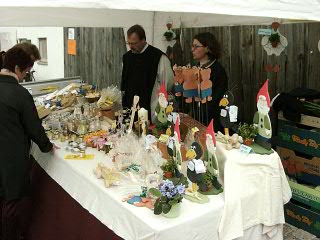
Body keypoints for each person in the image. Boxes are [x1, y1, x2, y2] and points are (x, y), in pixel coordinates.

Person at [0, 46, 54, 240]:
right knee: (11, 202)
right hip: (11, 158)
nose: (24, 77)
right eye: (25, 72)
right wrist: (47, 146)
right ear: (17, 68)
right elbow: (34, 128)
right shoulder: (20, 94)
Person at [121, 24, 174, 122]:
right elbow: (125, 81)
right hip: (131, 107)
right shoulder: (127, 57)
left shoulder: (158, 57)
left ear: (143, 40)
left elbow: (167, 83)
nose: (131, 46)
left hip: (151, 107)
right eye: (129, 43)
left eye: (134, 43)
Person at [191, 32, 228, 131]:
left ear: (207, 48)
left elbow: (216, 100)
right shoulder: (193, 68)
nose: (192, 50)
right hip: (194, 118)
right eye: (192, 46)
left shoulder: (218, 71)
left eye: (196, 46)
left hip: (211, 122)